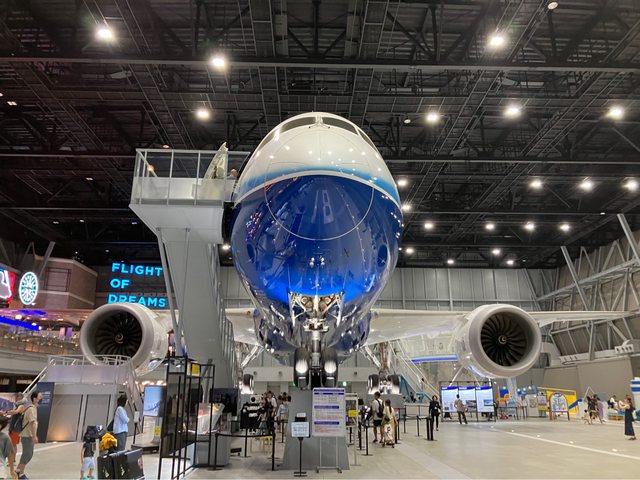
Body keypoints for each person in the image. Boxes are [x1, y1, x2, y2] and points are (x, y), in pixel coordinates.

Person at [0, 393, 27, 478]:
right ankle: (12, 460)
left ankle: (13, 460)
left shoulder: (21, 406)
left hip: (15, 429)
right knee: (12, 445)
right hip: (13, 429)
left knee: (12, 445)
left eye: (17, 397)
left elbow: (15, 412)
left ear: (19, 398)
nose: (15, 399)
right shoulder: (17, 405)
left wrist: (5, 412)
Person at [17, 391, 41, 480]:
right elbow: (32, 423)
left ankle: (18, 471)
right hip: (27, 435)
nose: (41, 398)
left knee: (28, 454)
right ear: (34, 399)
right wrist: (34, 436)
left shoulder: (33, 408)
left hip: (28, 435)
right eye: (40, 396)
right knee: (27, 455)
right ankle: (20, 473)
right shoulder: (31, 409)